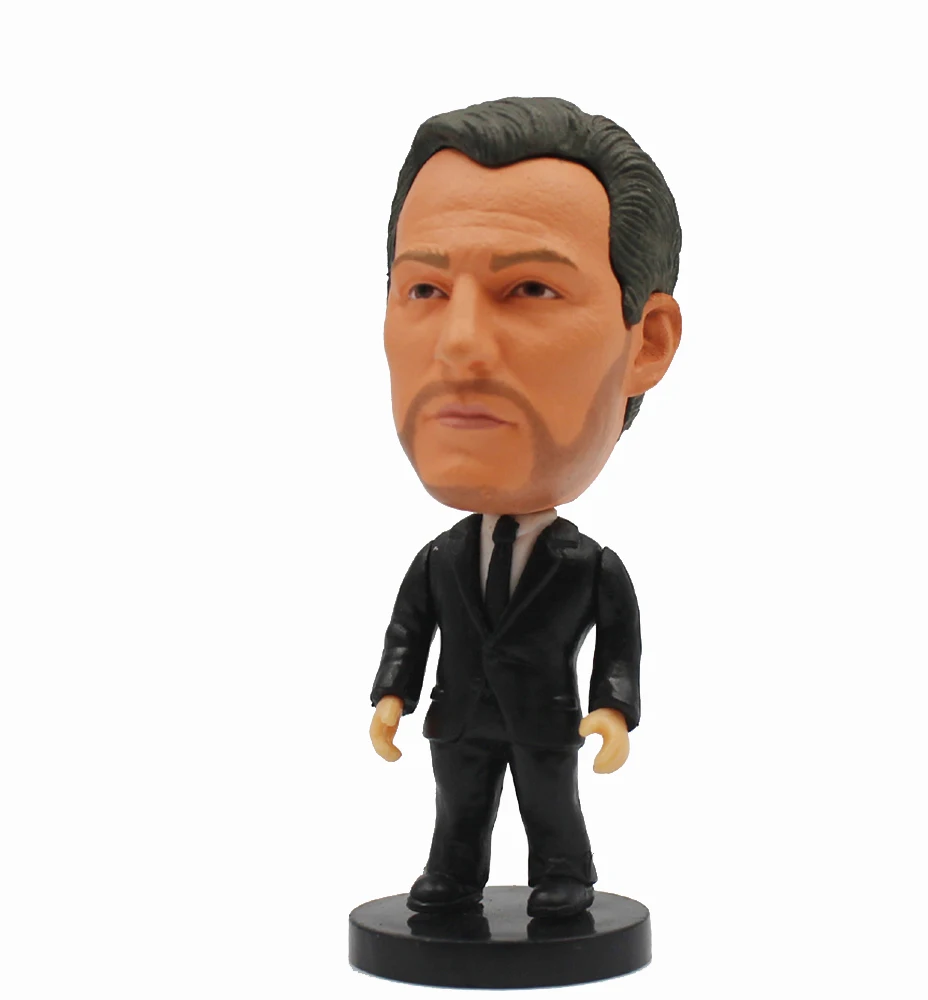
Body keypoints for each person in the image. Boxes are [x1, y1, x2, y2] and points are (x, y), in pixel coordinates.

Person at [367, 96, 682, 919]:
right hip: (459, 721)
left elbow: (617, 644)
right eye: (425, 288)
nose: (460, 345)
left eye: (531, 288)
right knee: (458, 808)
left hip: (547, 723)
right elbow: (410, 633)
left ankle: (563, 876)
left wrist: (612, 708)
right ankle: (451, 874)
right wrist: (392, 694)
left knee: (552, 806)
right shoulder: (441, 560)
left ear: (646, 342)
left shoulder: (589, 567)